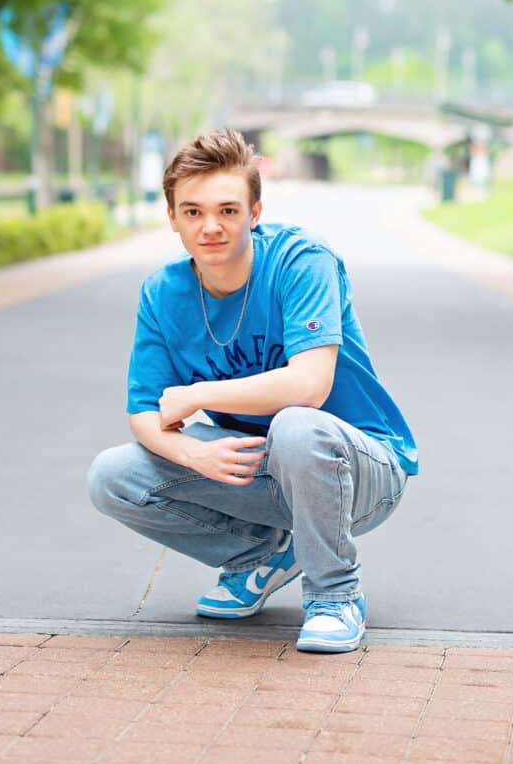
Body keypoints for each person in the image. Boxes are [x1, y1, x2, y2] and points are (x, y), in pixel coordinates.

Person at [88, 129, 417, 653]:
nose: (211, 226)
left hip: (362, 468)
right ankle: (259, 553)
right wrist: (190, 450)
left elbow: (309, 385)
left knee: (295, 424)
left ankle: (335, 595)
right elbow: (146, 412)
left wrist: (200, 395)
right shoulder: (162, 292)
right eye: (192, 212)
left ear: (255, 211)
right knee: (112, 476)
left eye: (228, 210)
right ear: (172, 218)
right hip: (267, 470)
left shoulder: (300, 261)